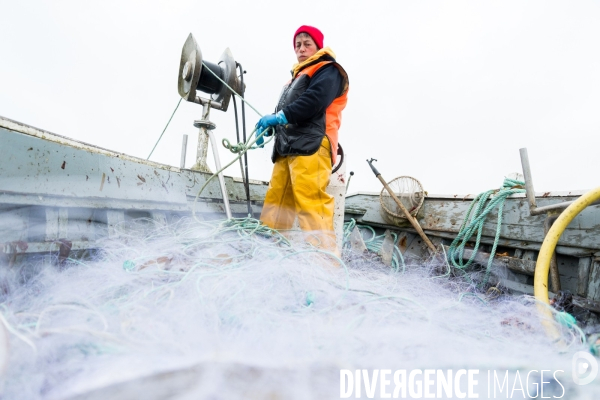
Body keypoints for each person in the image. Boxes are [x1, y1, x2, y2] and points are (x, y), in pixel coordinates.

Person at [255, 25, 349, 252]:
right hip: (286, 148)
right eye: (298, 45)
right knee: (276, 203)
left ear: (318, 46)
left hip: (313, 146)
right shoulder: (294, 79)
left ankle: (325, 263)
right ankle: (267, 253)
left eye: (307, 44)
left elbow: (315, 100)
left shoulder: (329, 69)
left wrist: (279, 117)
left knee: (311, 203)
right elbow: (288, 107)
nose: (301, 49)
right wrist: (272, 126)